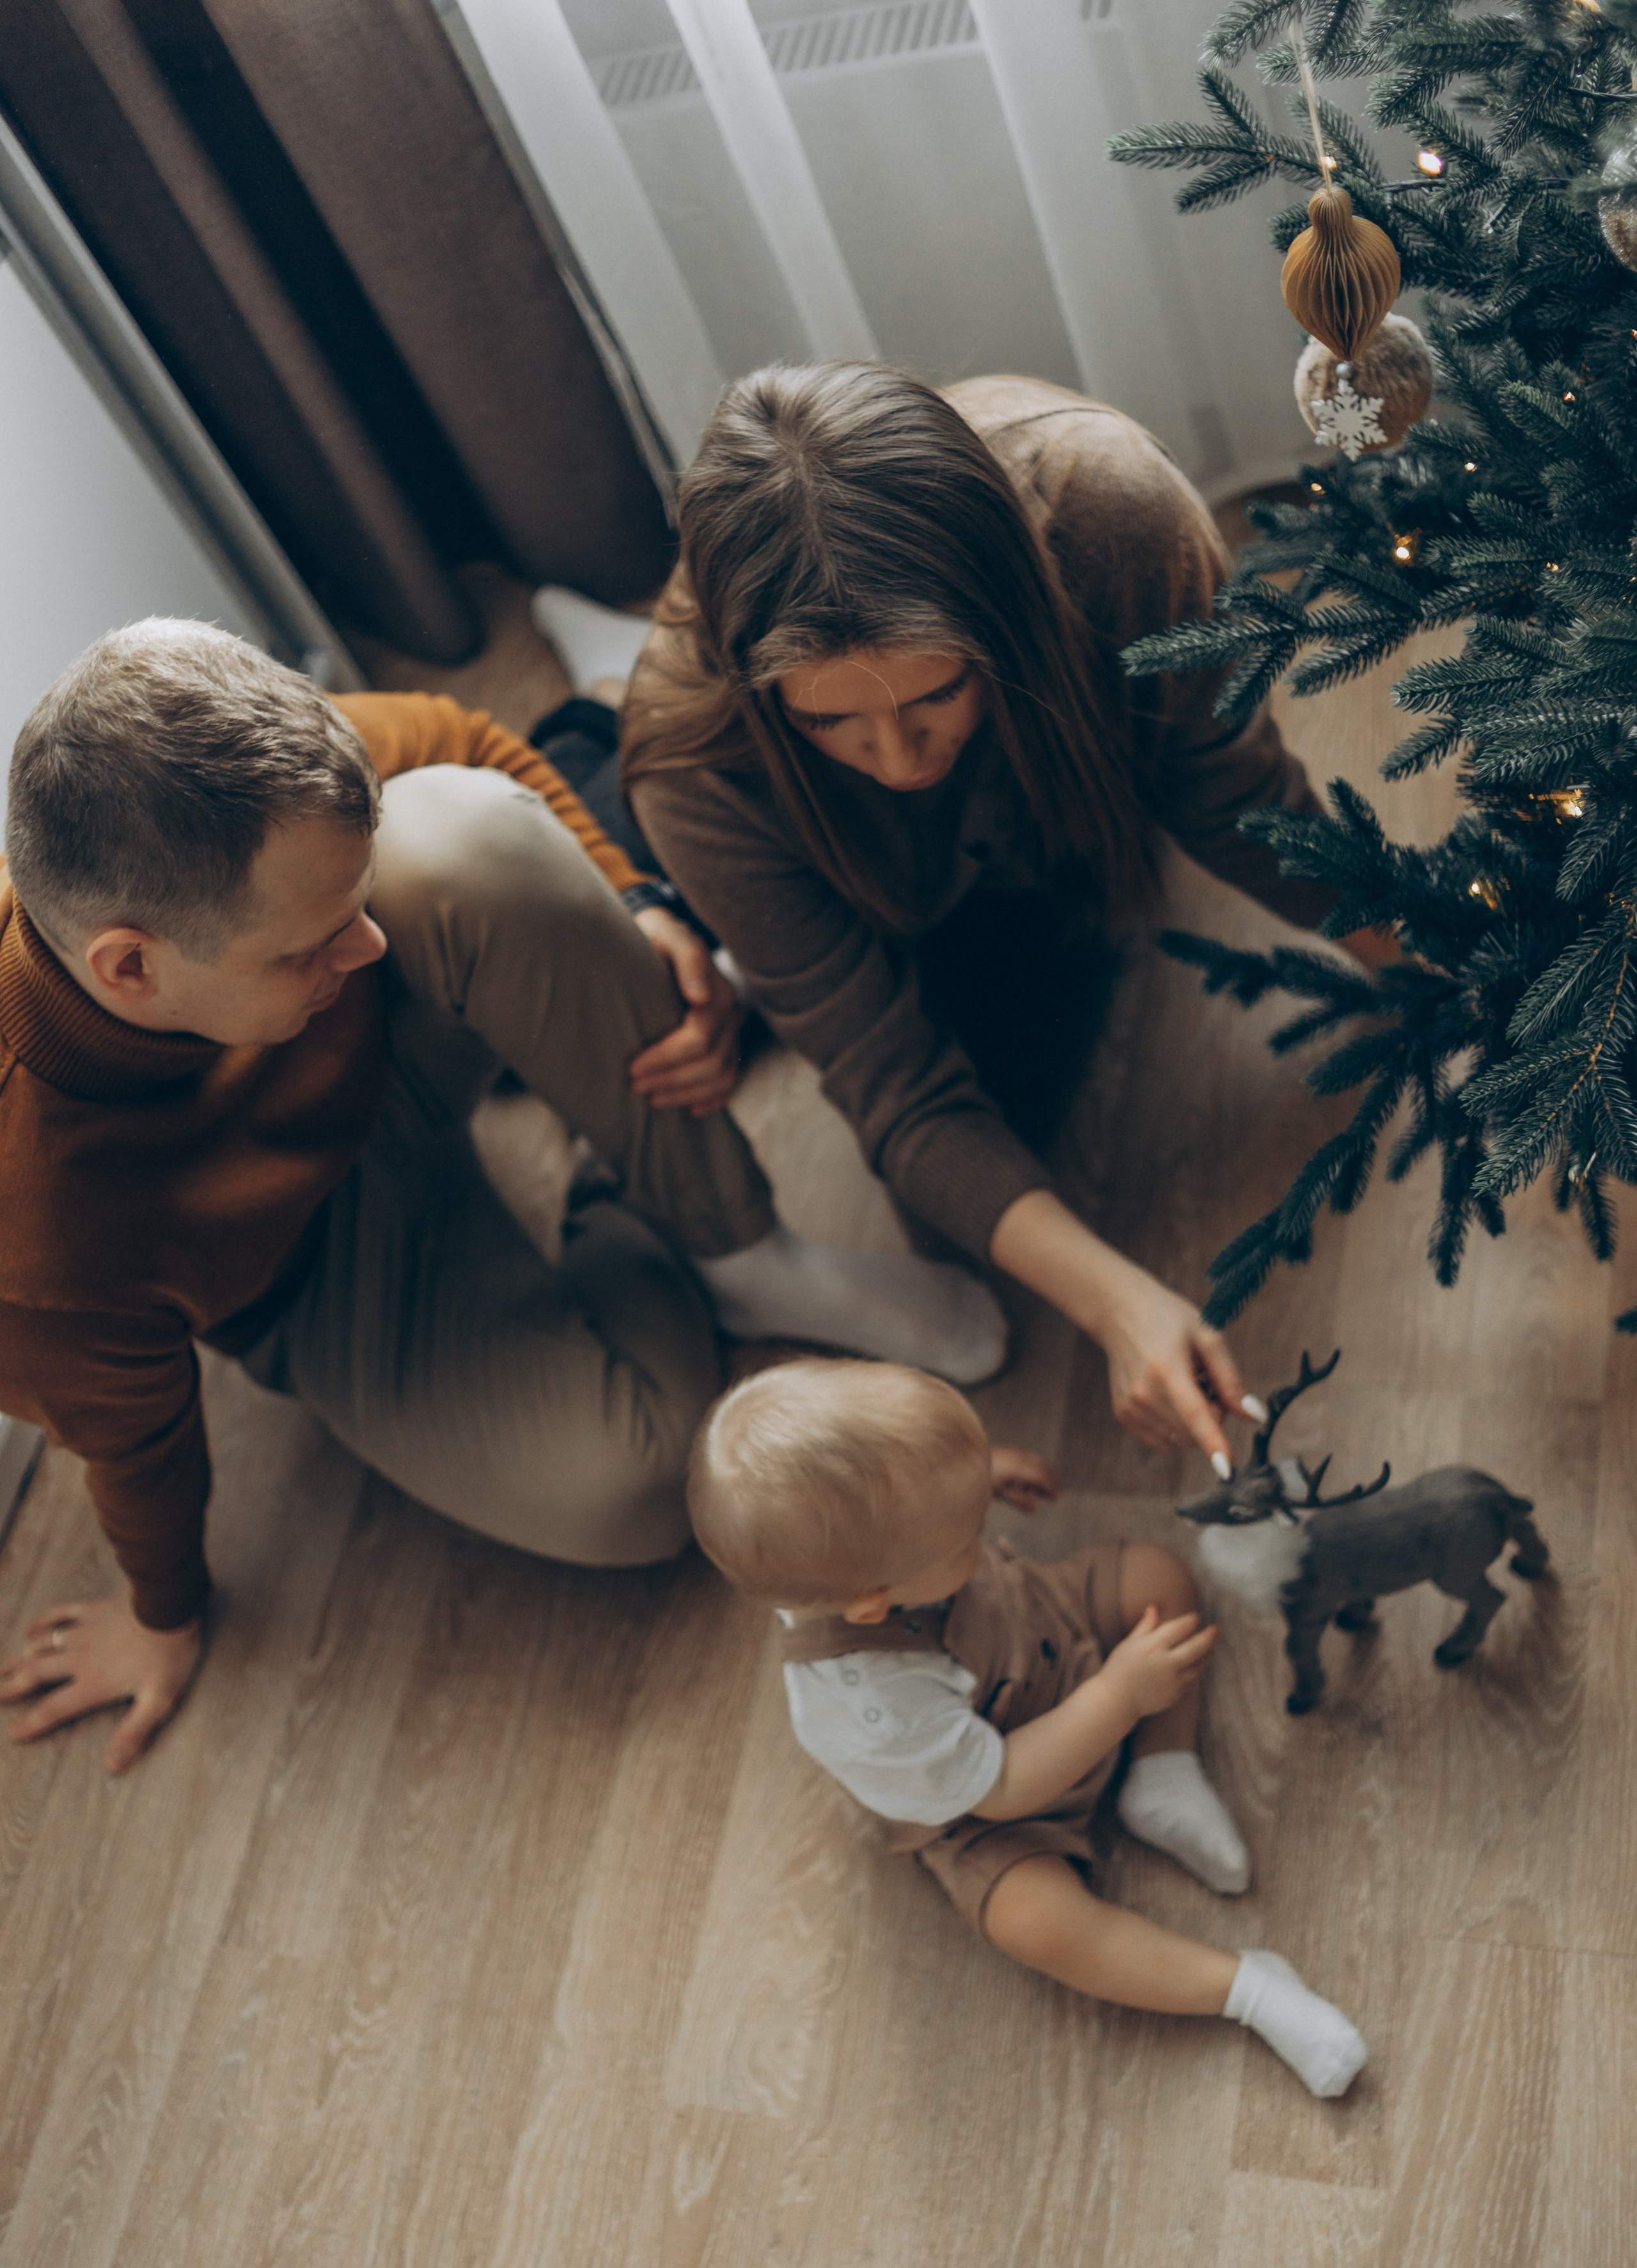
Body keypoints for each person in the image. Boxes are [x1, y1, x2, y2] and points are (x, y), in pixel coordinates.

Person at [0, 620, 1008, 1775]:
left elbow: (462, 740)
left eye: (359, 902)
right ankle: (609, 1187)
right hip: (316, 1279)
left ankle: (742, 1244)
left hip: (389, 1062)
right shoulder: (30, 1244)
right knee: (630, 1494)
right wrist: (161, 1615)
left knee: (461, 831)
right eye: (316, 943)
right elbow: (136, 1441)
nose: (373, 941)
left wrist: (634, 907)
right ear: (130, 966)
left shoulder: (239, 812)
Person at [610, 365, 1396, 1474]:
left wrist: (1426, 966)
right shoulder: (697, 763)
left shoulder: (1116, 517)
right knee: (969, 1209)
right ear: (759, 686)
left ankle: (738, 917)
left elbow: (1236, 797)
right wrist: (1121, 1302)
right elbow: (896, 1088)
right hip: (830, 864)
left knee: (1013, 1132)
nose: (900, 758)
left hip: (1017, 854)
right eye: (835, 719)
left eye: (937, 693)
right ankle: (600, 741)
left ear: (1006, 627)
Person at [688, 1358, 1368, 2100]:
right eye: (962, 1539)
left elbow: (896, 1487)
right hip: (993, 1797)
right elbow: (1004, 1786)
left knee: (1155, 1577)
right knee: (1034, 1924)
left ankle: (1162, 1773)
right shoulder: (861, 1712)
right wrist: (1117, 1693)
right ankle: (1247, 1989)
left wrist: (969, 1476)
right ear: (871, 1604)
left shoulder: (861, 1547)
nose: (977, 1532)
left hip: (1040, 1623)